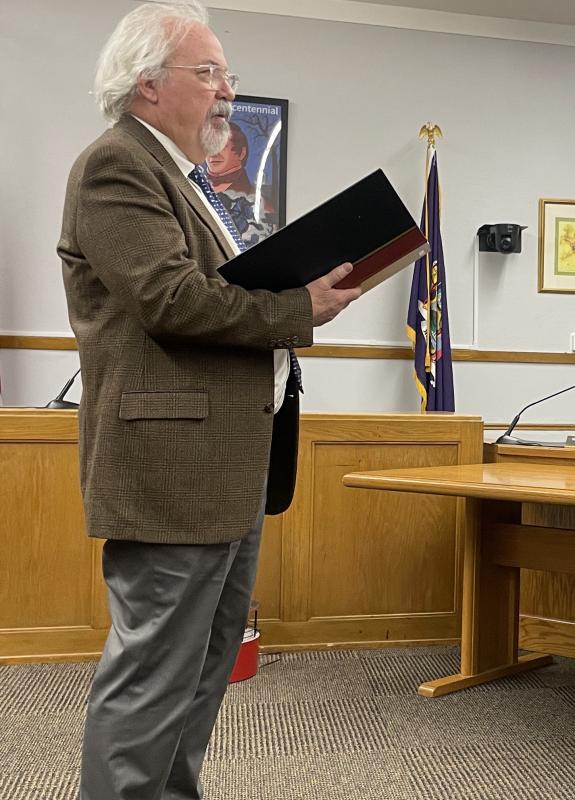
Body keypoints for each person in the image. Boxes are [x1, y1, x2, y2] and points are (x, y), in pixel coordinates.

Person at [58, 2, 359, 797]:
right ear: (146, 85)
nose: (228, 90)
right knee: (154, 678)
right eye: (210, 72)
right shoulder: (117, 165)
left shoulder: (186, 182)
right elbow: (170, 299)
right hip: (171, 474)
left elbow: (204, 294)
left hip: (226, 471)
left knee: (200, 675)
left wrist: (291, 294)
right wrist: (300, 308)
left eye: (228, 74)